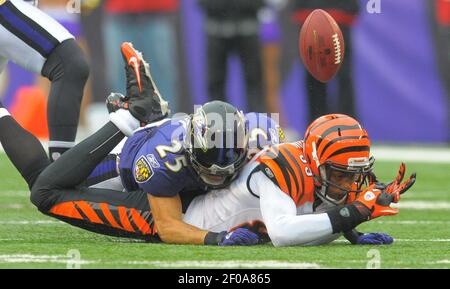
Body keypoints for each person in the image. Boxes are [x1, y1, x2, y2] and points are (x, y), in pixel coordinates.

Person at [0, 42, 279, 246]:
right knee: (45, 190)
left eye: (222, 172)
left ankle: (146, 114)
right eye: (208, 171)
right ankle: (129, 118)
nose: (215, 179)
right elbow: (168, 227)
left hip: (160, 135)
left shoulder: (263, 133)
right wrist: (219, 238)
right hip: (125, 167)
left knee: (45, 182)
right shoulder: (164, 159)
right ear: (191, 150)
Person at [184, 114, 416, 246]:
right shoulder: (281, 163)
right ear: (316, 162)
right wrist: (354, 212)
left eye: (354, 174)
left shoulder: (320, 172)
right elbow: (283, 234)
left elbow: (316, 214)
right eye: (341, 174)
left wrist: (352, 231)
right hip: (197, 224)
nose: (348, 184)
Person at [0, 0, 89, 160]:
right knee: (69, 64)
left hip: (57, 12)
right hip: (19, 8)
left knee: (69, 67)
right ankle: (61, 169)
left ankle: (54, 174)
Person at [292, 0, 359, 122]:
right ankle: (337, 125)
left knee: (332, 77)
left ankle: (341, 125)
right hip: (322, 14)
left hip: (330, 14)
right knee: (319, 76)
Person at [198, 0, 266, 112]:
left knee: (255, 82)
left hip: (248, 22)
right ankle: (217, 126)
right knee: (215, 84)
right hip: (216, 23)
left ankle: (257, 126)